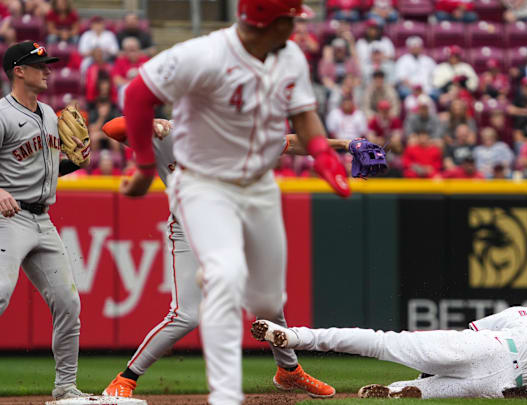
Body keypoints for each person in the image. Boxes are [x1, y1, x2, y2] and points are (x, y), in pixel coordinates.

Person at [118, 1, 351, 403]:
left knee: (268, 302)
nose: (296, 26)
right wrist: (142, 163)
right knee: (213, 292)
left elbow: (301, 120)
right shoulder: (203, 57)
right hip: (202, 195)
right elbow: (136, 96)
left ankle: (289, 370)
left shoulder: (288, 58)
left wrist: (327, 152)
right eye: (289, 19)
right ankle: (158, 383)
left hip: (255, 191)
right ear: (267, 21)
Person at [100, 116, 354, 398]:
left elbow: (293, 143)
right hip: (189, 229)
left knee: (267, 303)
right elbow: (112, 129)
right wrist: (151, 122)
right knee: (185, 315)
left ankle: (289, 371)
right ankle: (125, 379)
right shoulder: (169, 134)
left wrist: (344, 143)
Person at [252, 305, 527, 400]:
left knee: (383, 342)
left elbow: (473, 331)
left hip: (488, 346)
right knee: (429, 391)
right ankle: (401, 390)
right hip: (503, 384)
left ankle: (295, 336)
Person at [0, 41, 90, 400]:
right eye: (40, 65)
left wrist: (76, 162)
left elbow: (48, 169)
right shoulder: (3, 114)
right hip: (10, 218)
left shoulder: (51, 114)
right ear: (18, 70)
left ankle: (66, 388)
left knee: (68, 303)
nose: (49, 70)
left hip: (43, 220)